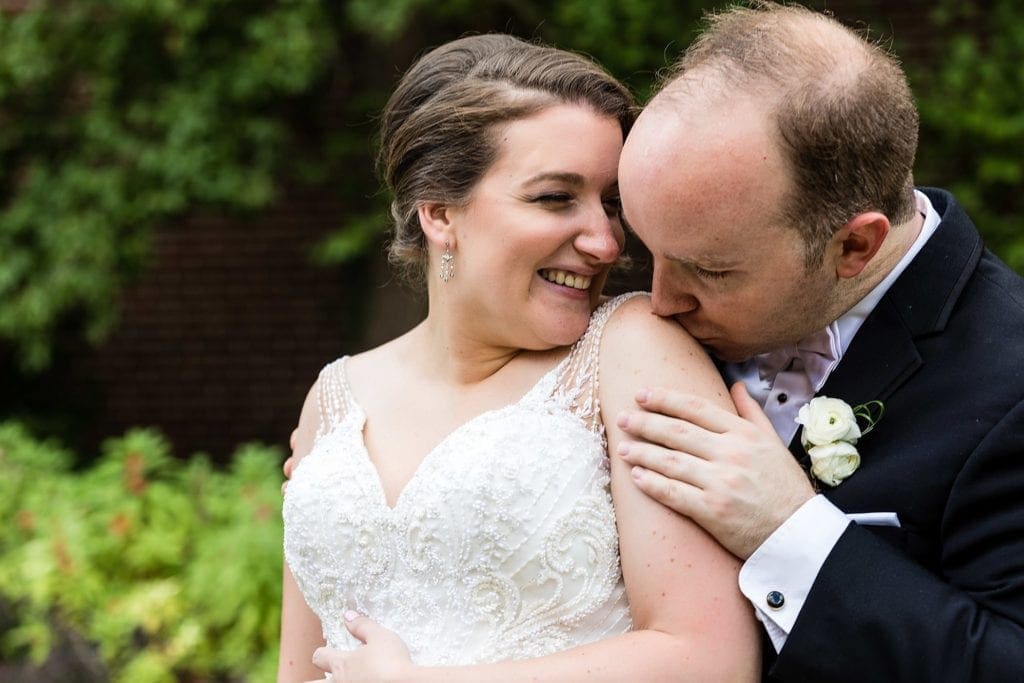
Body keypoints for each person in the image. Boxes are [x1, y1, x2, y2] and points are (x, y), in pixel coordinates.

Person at [278, 34, 760, 682]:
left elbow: (708, 659)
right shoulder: (334, 399)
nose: (605, 240)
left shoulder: (633, 350)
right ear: (440, 211)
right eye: (556, 198)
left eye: (610, 203)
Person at [613, 3, 1024, 681]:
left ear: (854, 245)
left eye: (710, 270)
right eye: (646, 249)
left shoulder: (1008, 384)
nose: (660, 301)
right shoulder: (634, 327)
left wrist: (790, 530)